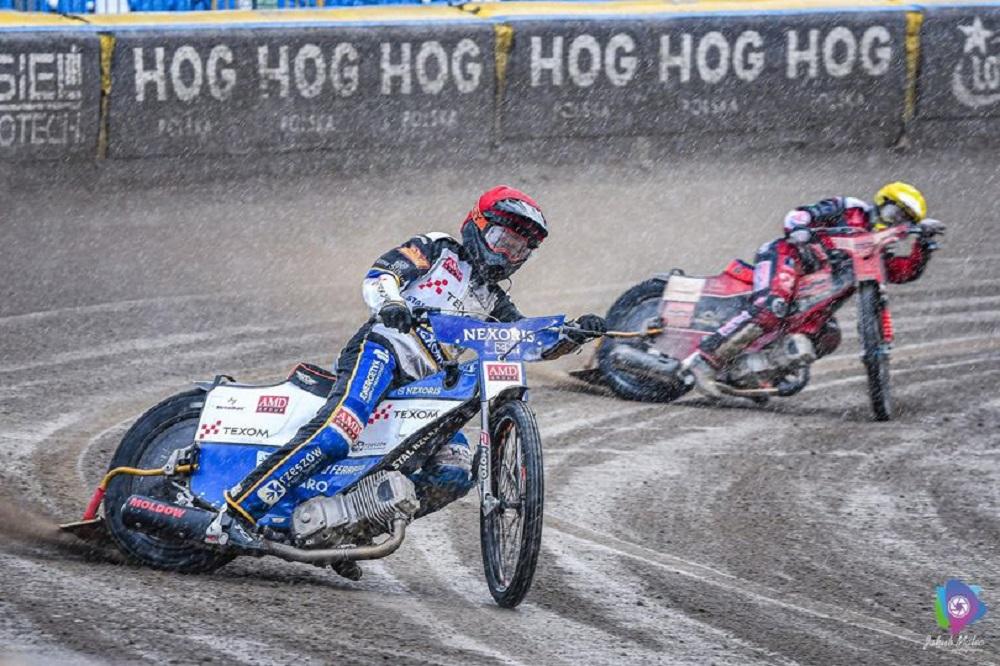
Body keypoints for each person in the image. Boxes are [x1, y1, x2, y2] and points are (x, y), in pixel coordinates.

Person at [207, 186, 606, 576]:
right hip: (382, 351)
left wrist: (572, 336)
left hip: (427, 387)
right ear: (478, 226)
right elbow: (381, 275)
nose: (507, 255)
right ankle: (237, 512)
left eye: (518, 250)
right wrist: (392, 303)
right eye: (502, 241)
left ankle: (348, 531)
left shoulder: (494, 301)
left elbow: (523, 341)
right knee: (336, 435)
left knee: (454, 471)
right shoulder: (438, 249)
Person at [683, 182, 946, 398]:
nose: (894, 222)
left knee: (828, 336)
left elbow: (904, 272)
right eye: (893, 213)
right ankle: (704, 362)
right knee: (772, 307)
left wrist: (924, 244)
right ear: (881, 203)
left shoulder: (876, 257)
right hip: (790, 256)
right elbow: (800, 215)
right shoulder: (851, 208)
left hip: (812, 299)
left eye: (903, 221)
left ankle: (751, 374)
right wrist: (799, 231)